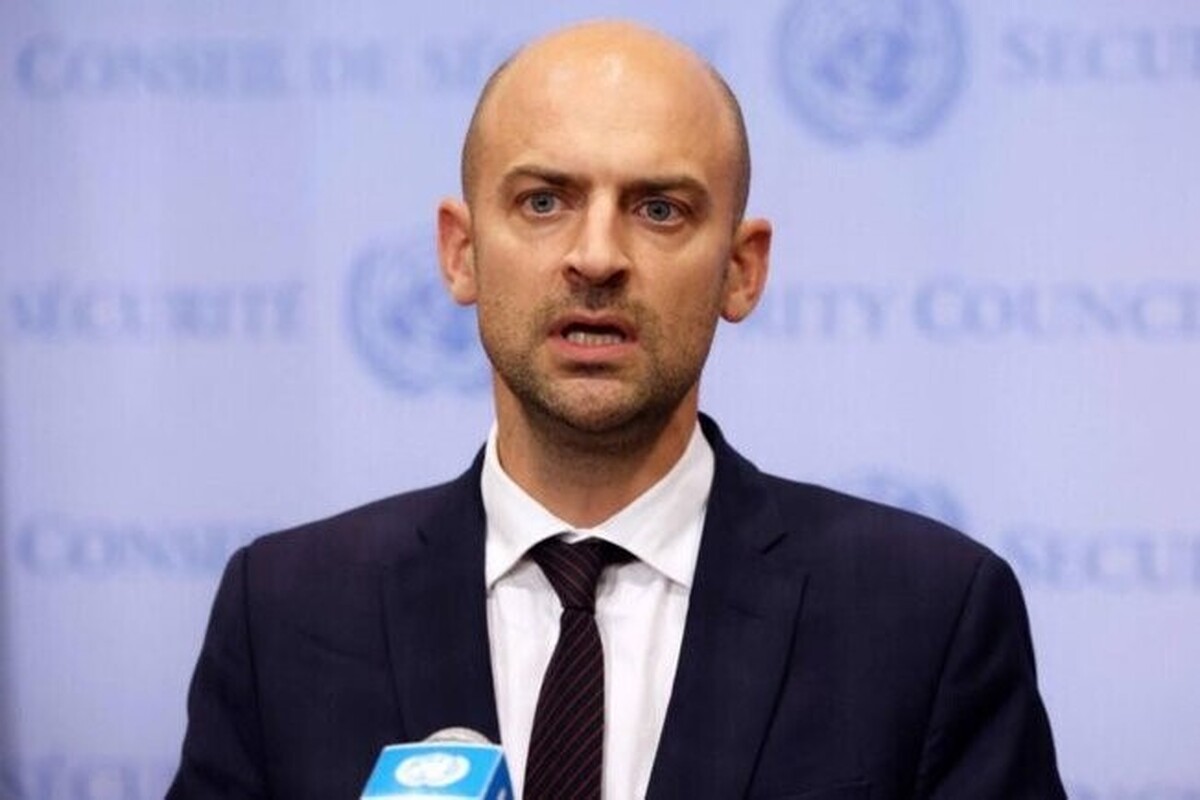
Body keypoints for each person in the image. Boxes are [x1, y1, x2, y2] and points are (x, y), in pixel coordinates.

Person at [168, 20, 1066, 800]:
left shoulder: (925, 615)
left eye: (660, 209)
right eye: (544, 201)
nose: (597, 257)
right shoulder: (284, 611)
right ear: (460, 252)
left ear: (742, 270)